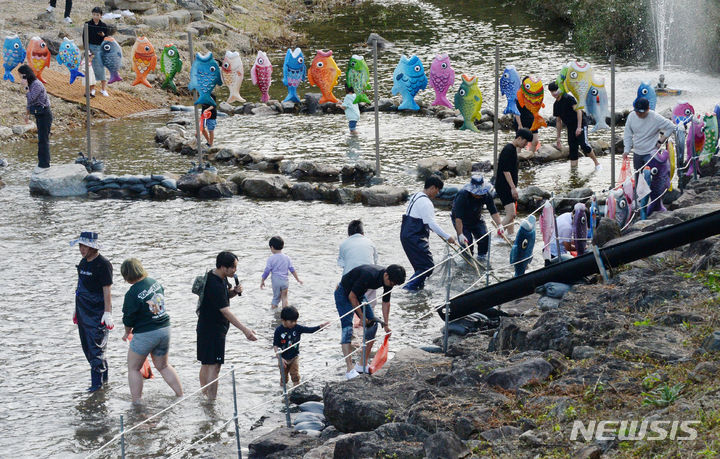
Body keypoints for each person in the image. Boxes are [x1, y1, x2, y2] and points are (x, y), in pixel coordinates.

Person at [120, 258, 183, 403]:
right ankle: (180, 395)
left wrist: (126, 332)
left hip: (146, 333)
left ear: (127, 275)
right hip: (164, 328)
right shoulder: (154, 282)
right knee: (163, 365)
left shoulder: (132, 293)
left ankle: (137, 403)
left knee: (134, 368)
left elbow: (128, 318)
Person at [197, 251, 257, 400]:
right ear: (224, 267)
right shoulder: (215, 285)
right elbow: (225, 311)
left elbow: (224, 297)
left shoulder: (216, 276)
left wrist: (234, 292)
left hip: (205, 327)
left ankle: (204, 396)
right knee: (214, 366)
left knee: (206, 363)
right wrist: (245, 330)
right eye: (234, 268)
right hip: (213, 330)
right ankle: (211, 401)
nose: (235, 270)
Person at [334, 264, 405, 379]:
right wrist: (362, 318)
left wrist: (386, 325)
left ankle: (362, 364)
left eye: (394, 284)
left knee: (373, 325)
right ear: (386, 275)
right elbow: (351, 297)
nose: (392, 285)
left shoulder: (389, 279)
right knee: (347, 328)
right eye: (392, 283)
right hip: (343, 293)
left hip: (359, 295)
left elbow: (386, 302)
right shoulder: (369, 275)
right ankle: (349, 368)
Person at [70, 231, 113, 392]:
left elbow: (107, 290)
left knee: (96, 349)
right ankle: (105, 382)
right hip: (83, 310)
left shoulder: (103, 264)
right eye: (80, 245)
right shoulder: (83, 263)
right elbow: (79, 287)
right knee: (87, 347)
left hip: (97, 312)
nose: (81, 249)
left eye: (84, 246)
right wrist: (76, 310)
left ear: (93, 247)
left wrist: (107, 312)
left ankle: (97, 386)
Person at [401, 176, 456, 291]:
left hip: (406, 235)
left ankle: (418, 289)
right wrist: (448, 237)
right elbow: (431, 224)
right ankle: (408, 288)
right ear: (432, 187)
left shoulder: (416, 196)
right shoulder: (426, 202)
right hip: (414, 237)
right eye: (438, 190)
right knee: (428, 267)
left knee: (420, 267)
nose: (438, 193)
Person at [548, 81, 601, 170]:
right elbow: (558, 121)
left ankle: (597, 164)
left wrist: (579, 127)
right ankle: (574, 171)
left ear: (560, 89)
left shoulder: (568, 98)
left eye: (555, 90)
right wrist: (558, 138)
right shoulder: (556, 105)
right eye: (552, 91)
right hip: (570, 127)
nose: (554, 93)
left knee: (584, 145)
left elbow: (579, 111)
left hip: (581, 123)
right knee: (572, 148)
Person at [452, 175, 504, 264]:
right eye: (476, 193)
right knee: (467, 243)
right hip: (462, 221)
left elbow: (493, 211)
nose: (479, 195)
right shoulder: (462, 195)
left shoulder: (486, 194)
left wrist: (499, 225)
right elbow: (458, 218)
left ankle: (481, 259)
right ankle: (467, 262)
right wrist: (460, 234)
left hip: (476, 218)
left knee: (484, 238)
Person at [273, 306, 329, 387]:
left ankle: (296, 391)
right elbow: (275, 345)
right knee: (284, 378)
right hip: (283, 359)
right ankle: (282, 393)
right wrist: (279, 357)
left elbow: (309, 330)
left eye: (295, 321)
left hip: (294, 357)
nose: (294, 323)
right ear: (283, 320)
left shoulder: (297, 328)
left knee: (295, 375)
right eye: (291, 321)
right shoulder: (278, 330)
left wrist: (320, 327)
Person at [494, 129, 533, 238]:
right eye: (525, 142)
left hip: (508, 186)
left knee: (511, 215)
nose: (525, 145)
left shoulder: (513, 149)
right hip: (504, 186)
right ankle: (497, 237)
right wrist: (512, 188)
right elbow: (506, 171)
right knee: (511, 213)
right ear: (519, 138)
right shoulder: (508, 150)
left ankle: (511, 235)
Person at [623, 97, 676, 173]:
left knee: (650, 176)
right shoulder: (631, 116)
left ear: (648, 109)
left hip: (651, 153)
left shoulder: (655, 118)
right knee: (638, 176)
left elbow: (671, 126)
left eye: (641, 112)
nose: (639, 114)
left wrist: (661, 140)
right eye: (637, 112)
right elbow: (628, 134)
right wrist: (626, 150)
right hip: (637, 153)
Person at [338, 219, 379, 307]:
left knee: (351, 300)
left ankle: (356, 317)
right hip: (369, 277)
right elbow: (375, 263)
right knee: (369, 303)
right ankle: (368, 318)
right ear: (363, 233)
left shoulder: (344, 244)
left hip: (351, 280)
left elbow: (342, 264)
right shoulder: (370, 242)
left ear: (349, 234)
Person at [18, 65, 52, 169]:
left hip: (45, 114)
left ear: (26, 75)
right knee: (41, 139)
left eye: (21, 76)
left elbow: (31, 98)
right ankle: (42, 162)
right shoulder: (31, 84)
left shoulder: (36, 84)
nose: (20, 79)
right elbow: (29, 102)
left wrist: (26, 88)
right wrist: (27, 115)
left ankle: (44, 164)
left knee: (43, 139)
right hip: (38, 114)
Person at [261, 236, 303, 308]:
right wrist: (298, 279)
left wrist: (262, 280)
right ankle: (284, 314)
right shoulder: (287, 258)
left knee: (275, 298)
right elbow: (292, 270)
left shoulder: (271, 258)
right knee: (284, 297)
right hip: (285, 281)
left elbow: (267, 271)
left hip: (276, 281)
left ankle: (274, 314)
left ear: (272, 247)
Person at [83, 7, 109, 97]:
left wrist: (103, 35)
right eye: (94, 14)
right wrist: (86, 49)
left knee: (101, 69)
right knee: (91, 69)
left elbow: (107, 39)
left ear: (100, 15)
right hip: (90, 47)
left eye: (97, 15)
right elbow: (84, 37)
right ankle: (92, 89)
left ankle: (103, 89)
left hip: (100, 48)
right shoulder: (87, 24)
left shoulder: (103, 25)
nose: (95, 16)